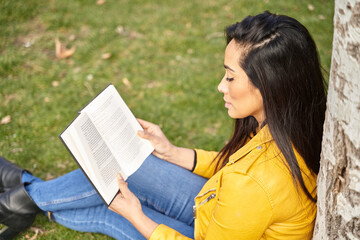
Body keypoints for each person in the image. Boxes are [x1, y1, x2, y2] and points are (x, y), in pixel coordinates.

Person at [0, 11, 326, 240]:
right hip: (221, 208)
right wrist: (173, 152)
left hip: (220, 223)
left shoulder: (254, 184)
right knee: (126, 164)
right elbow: (237, 164)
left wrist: (137, 217)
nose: (220, 86)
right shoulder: (295, 121)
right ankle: (27, 196)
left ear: (270, 84)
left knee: (113, 208)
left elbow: (246, 183)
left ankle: (22, 196)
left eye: (230, 76)